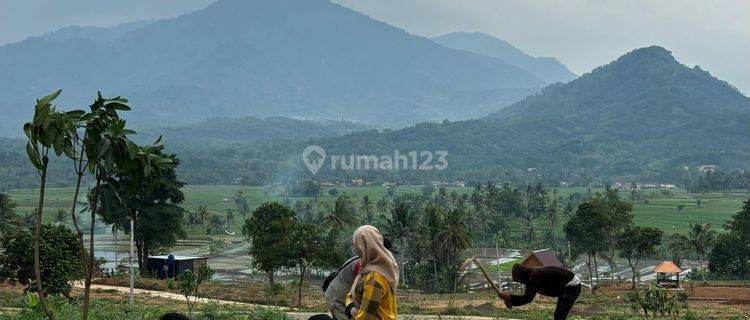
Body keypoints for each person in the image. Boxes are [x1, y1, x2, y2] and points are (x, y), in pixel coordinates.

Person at [323, 238, 396, 320]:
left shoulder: (371, 262)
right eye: (387, 252)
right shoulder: (364, 264)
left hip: (344, 293)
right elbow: (364, 286)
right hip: (337, 295)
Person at [344, 225, 399, 320]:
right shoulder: (370, 269)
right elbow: (349, 296)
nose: (355, 248)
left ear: (363, 245)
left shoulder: (375, 276)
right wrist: (351, 309)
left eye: (356, 244)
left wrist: (351, 309)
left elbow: (365, 317)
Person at [499, 263, 582, 320]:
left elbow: (527, 298)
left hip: (571, 287)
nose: (521, 283)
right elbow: (525, 296)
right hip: (563, 287)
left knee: (559, 316)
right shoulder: (531, 277)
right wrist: (510, 299)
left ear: (523, 276)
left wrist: (509, 298)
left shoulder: (534, 276)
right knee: (559, 316)